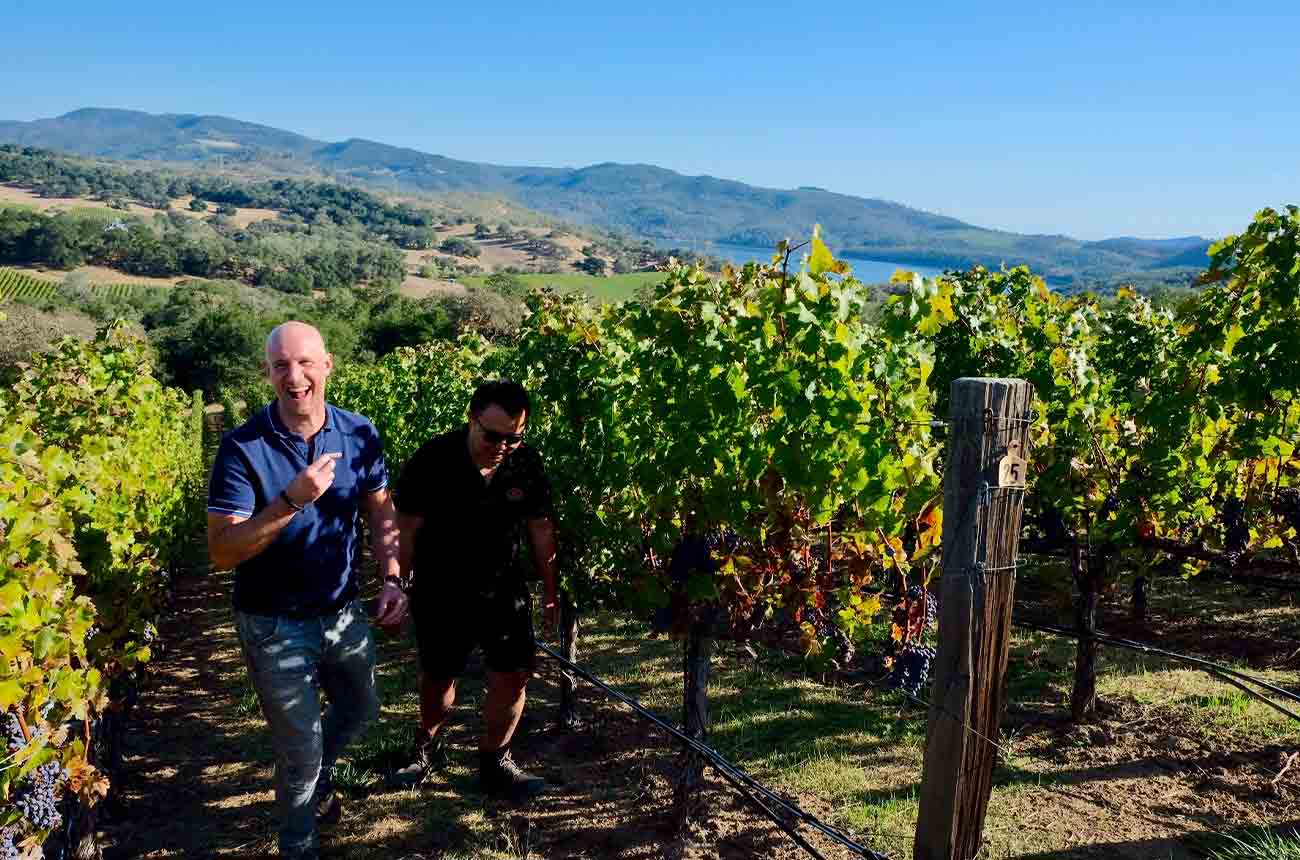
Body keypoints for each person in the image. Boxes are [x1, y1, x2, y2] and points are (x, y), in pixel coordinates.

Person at [207, 321, 408, 860]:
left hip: (343, 613)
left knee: (362, 708)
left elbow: (380, 508)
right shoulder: (242, 449)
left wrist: (392, 576)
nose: (293, 377)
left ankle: (317, 779)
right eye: (280, 366)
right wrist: (290, 502)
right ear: (268, 373)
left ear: (327, 365)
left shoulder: (359, 432)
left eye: (304, 363)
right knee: (300, 751)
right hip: (274, 623)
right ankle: (298, 843)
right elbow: (223, 551)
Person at [393, 379, 558, 798]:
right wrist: (397, 585)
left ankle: (495, 762)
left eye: (514, 438)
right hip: (441, 587)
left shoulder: (526, 465)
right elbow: (407, 529)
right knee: (439, 678)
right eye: (493, 435)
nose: (502, 445)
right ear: (472, 420)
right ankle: (425, 746)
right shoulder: (432, 460)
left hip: (504, 587)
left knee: (514, 675)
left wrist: (551, 591)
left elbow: (540, 529)